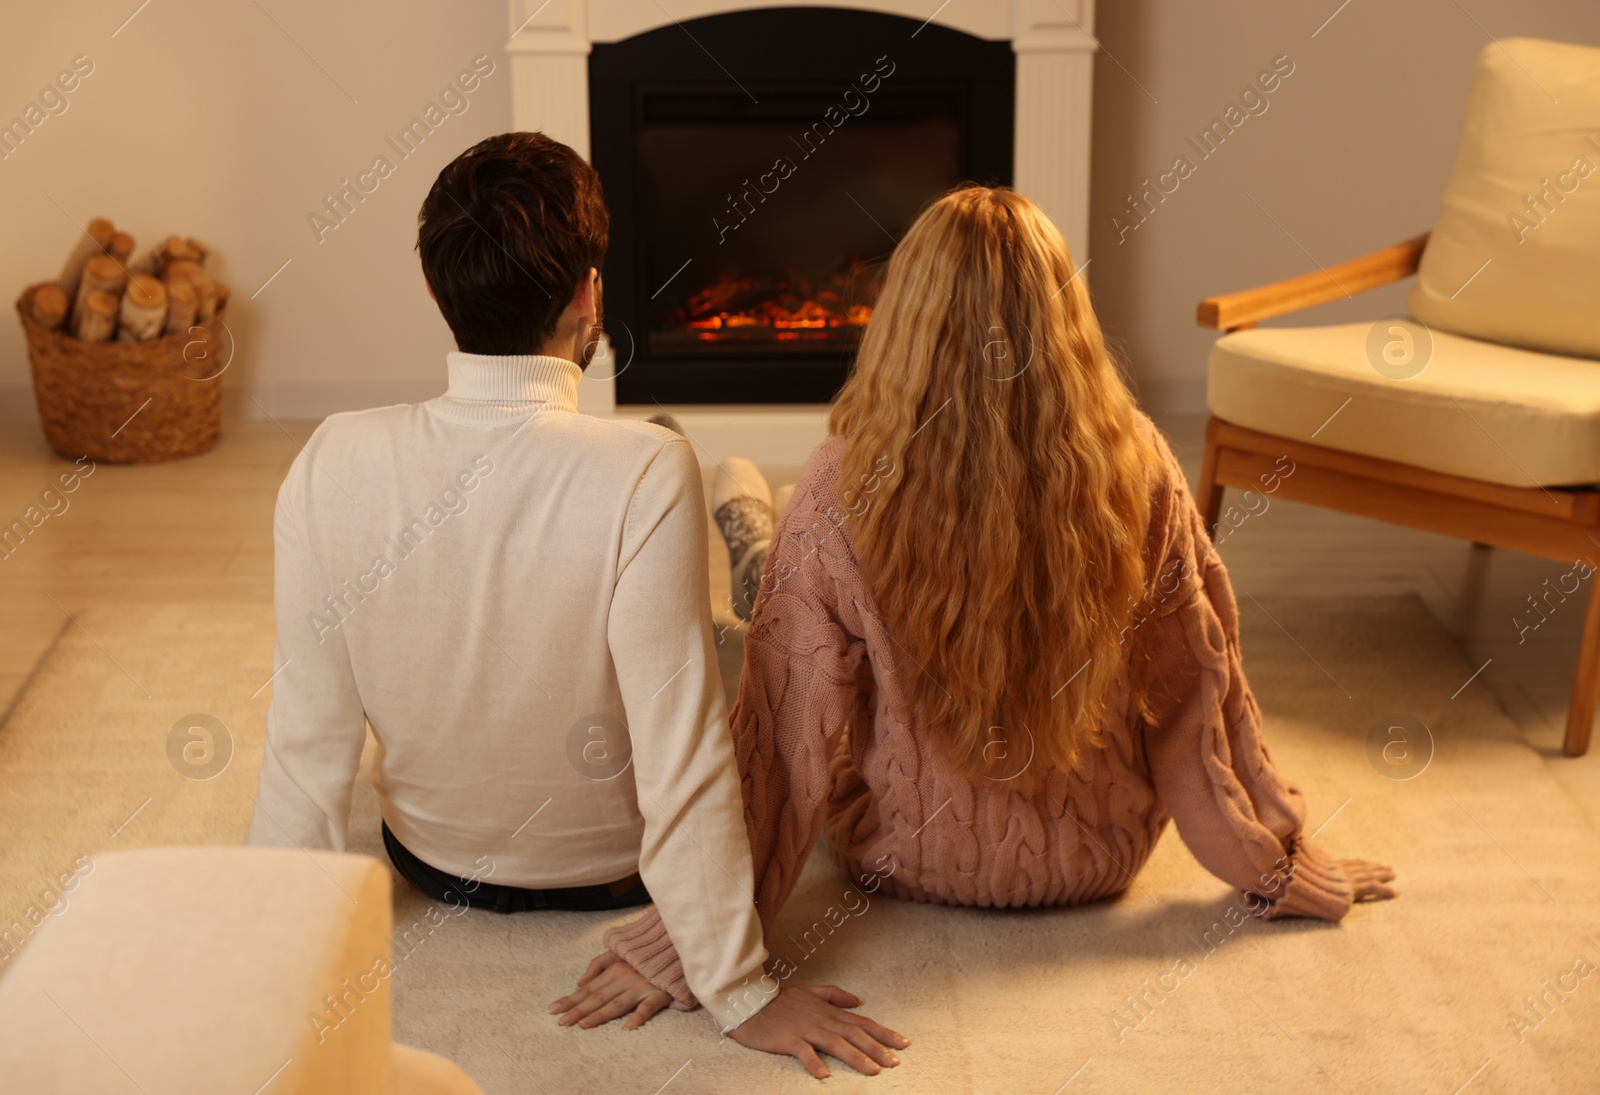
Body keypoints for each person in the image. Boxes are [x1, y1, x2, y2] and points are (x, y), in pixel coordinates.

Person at [556, 185, 1398, 1043]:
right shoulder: (1140, 464)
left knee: (768, 609)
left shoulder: (844, 480)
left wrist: (686, 948)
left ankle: (749, 527)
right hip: (1096, 859)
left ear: (904, 319)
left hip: (895, 855)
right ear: (1062, 318)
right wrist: (1278, 863)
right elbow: (1199, 706)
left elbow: (782, 747)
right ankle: (754, 531)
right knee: (794, 578)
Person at [246, 131, 905, 1076]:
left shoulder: (330, 460)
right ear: (590, 295)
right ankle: (750, 525)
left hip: (433, 863)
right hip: (614, 875)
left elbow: (305, 747)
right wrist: (737, 985)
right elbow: (680, 749)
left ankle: (741, 526)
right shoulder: (643, 469)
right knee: (746, 636)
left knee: (647, 477)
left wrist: (275, 961)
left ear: (438, 294)